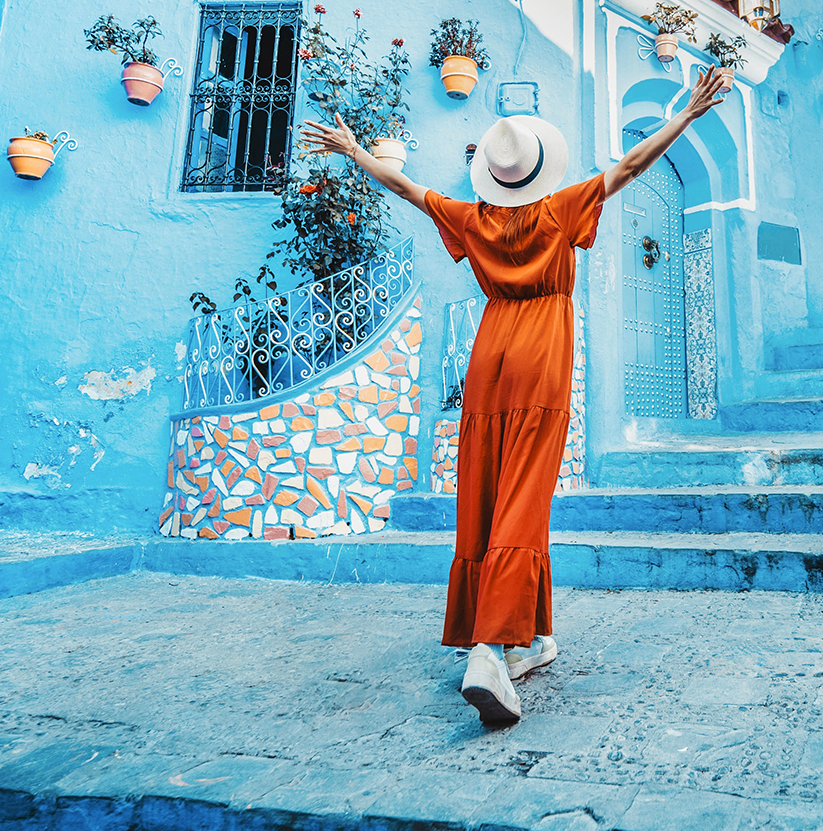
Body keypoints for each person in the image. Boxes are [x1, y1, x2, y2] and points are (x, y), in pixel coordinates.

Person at [300, 65, 731, 724]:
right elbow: (633, 165)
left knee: (487, 492)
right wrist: (688, 115)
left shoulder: (471, 217)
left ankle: (533, 637)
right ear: (538, 168)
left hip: (490, 351)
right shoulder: (560, 209)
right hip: (541, 352)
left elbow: (405, 185)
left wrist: (356, 151)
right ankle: (488, 649)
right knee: (526, 499)